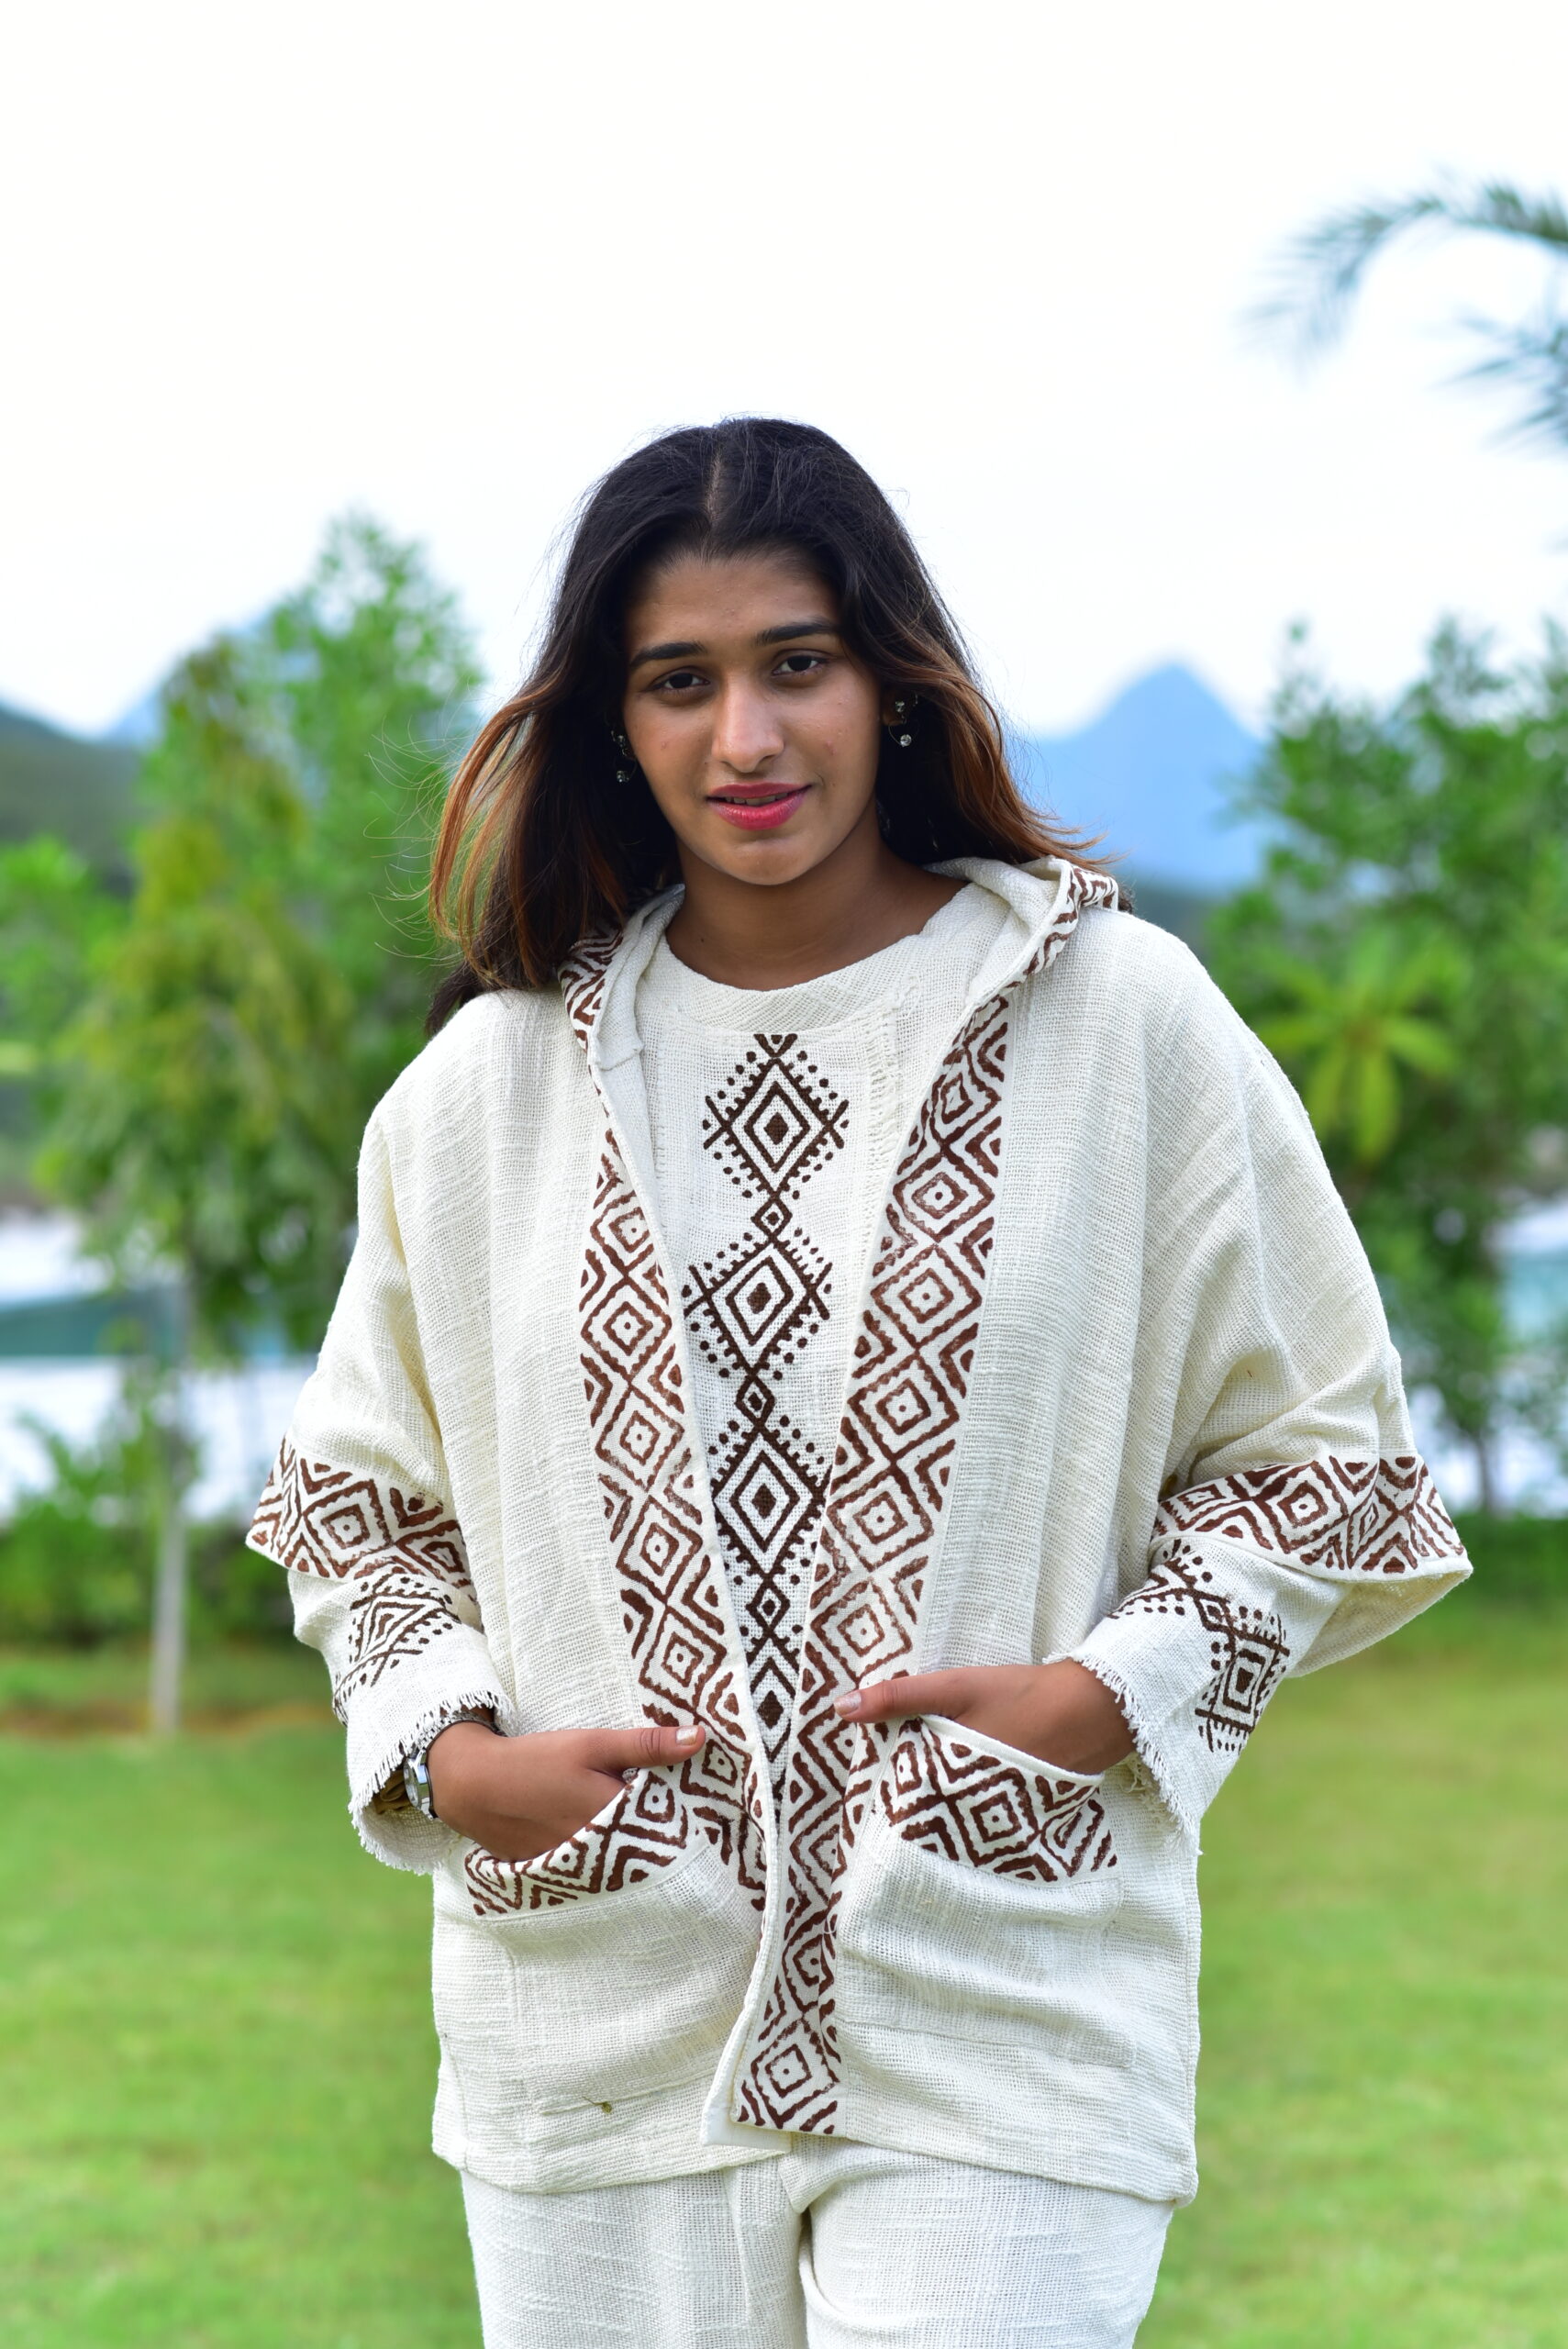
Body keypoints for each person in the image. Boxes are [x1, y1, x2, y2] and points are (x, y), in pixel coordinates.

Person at [248, 417, 1470, 2347]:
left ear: (891, 682)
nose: (746, 735)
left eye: (795, 663)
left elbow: (1320, 1455)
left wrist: (1103, 1693)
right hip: (600, 2003)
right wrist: (456, 1758)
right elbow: (354, 1507)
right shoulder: (483, 1094)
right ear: (615, 722)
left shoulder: (1122, 1024)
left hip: (1005, 1979)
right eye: (680, 680)